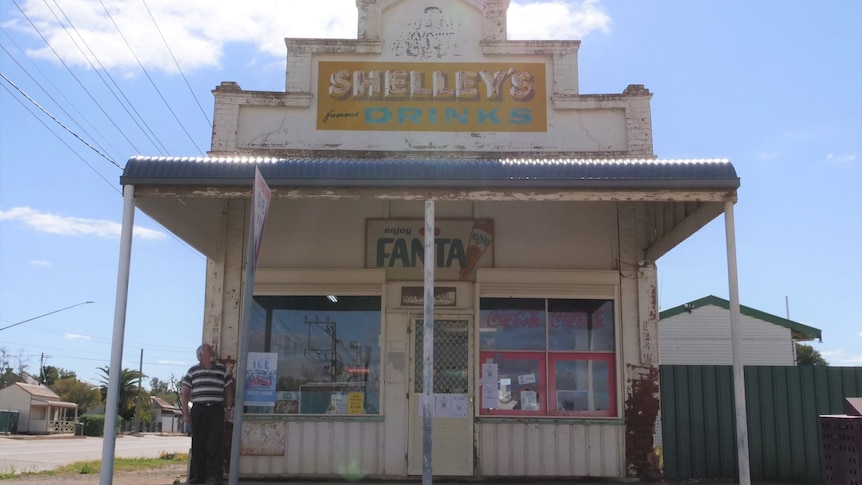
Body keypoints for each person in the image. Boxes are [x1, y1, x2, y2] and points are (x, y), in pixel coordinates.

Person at [181, 343, 234, 485]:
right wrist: (186, 414)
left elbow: (228, 390)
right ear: (201, 355)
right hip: (199, 410)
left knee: (217, 443)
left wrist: (228, 409)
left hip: (216, 410)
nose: (213, 351)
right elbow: (185, 394)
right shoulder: (193, 371)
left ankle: (216, 477)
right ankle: (198, 477)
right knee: (198, 443)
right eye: (209, 350)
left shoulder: (221, 370)